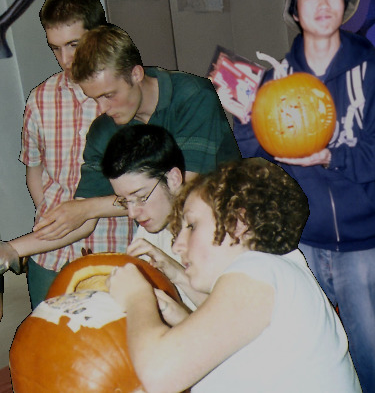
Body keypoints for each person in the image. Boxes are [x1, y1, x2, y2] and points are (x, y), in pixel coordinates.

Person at [233, 0, 375, 392]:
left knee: (369, 351)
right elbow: (257, 159)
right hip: (303, 238)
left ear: (346, 6)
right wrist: (243, 121)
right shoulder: (274, 80)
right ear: (295, 11)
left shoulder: (370, 70)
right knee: (314, 345)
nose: (322, 3)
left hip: (364, 240)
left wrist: (331, 156)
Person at [108, 157, 361, 392]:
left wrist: (137, 296)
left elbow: (159, 374)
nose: (177, 246)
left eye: (192, 226)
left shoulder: (260, 271)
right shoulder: (277, 274)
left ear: (239, 222)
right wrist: (181, 312)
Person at [28, 24, 241, 243]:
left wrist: (88, 208)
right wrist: (12, 250)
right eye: (95, 98)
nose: (101, 108)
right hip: (168, 240)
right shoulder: (104, 128)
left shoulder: (193, 96)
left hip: (228, 229)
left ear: (136, 74)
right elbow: (80, 220)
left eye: (109, 95)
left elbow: (182, 189)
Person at [0, 0, 134, 309]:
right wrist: (51, 215)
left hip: (116, 250)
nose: (66, 59)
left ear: (99, 32)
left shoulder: (125, 98)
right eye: (56, 48)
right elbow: (35, 172)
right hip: (50, 256)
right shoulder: (40, 100)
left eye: (74, 44)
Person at [102, 124, 207, 311]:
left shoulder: (217, 230)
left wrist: (176, 273)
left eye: (141, 197)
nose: (132, 213)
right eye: (125, 201)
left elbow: (233, 322)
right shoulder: (149, 231)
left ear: (173, 179)